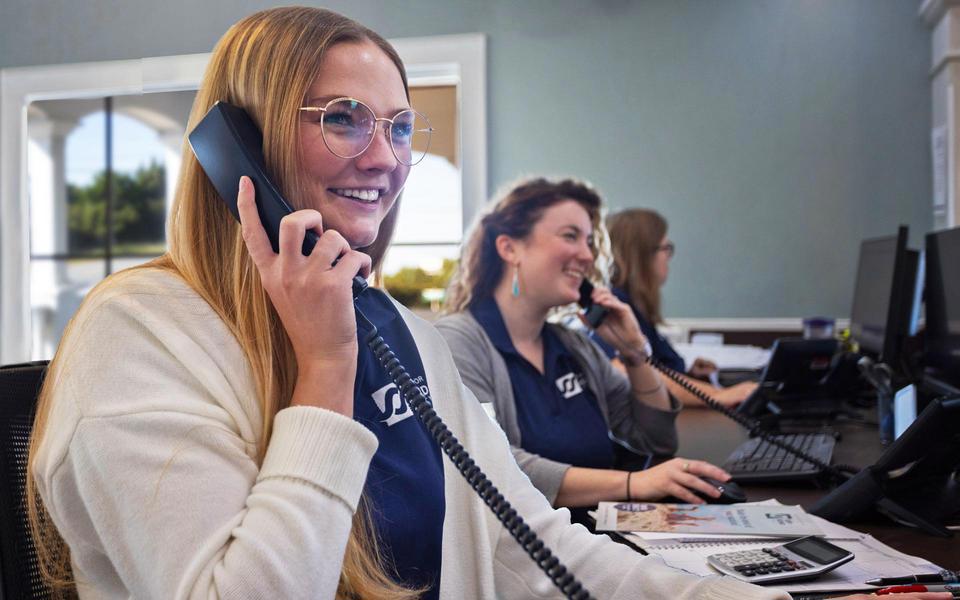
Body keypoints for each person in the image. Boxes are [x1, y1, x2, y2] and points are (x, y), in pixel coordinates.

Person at [23, 8, 945, 600]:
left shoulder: (395, 331)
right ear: (242, 147)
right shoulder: (138, 333)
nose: (383, 157)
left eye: (397, 126)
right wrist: (326, 366)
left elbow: (536, 545)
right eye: (341, 116)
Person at [436, 177, 734, 510]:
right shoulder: (458, 342)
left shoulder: (574, 346)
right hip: (532, 550)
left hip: (599, 534)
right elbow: (491, 466)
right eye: (570, 236)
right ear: (510, 248)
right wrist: (634, 485)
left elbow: (656, 438)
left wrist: (636, 356)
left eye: (589, 241)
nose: (588, 255)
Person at [606, 208, 759, 408]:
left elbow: (656, 367)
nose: (668, 258)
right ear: (643, 256)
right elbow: (623, 370)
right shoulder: (614, 309)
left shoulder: (636, 306)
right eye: (665, 248)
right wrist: (717, 395)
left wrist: (688, 375)